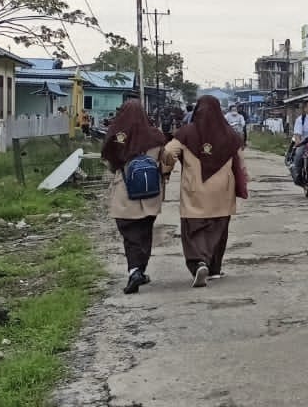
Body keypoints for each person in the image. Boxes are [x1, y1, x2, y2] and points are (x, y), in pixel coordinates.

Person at [163, 95, 250, 288]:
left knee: (193, 229)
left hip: (195, 188)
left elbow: (168, 152)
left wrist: (166, 170)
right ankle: (215, 269)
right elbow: (241, 163)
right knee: (218, 228)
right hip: (222, 191)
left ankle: (198, 263)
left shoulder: (186, 132)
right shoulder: (231, 135)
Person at [103, 100, 170, 294]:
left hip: (125, 190)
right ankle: (140, 269)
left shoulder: (116, 136)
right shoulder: (155, 135)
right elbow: (164, 160)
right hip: (150, 191)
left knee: (129, 234)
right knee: (144, 233)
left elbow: (110, 162)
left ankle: (134, 271)